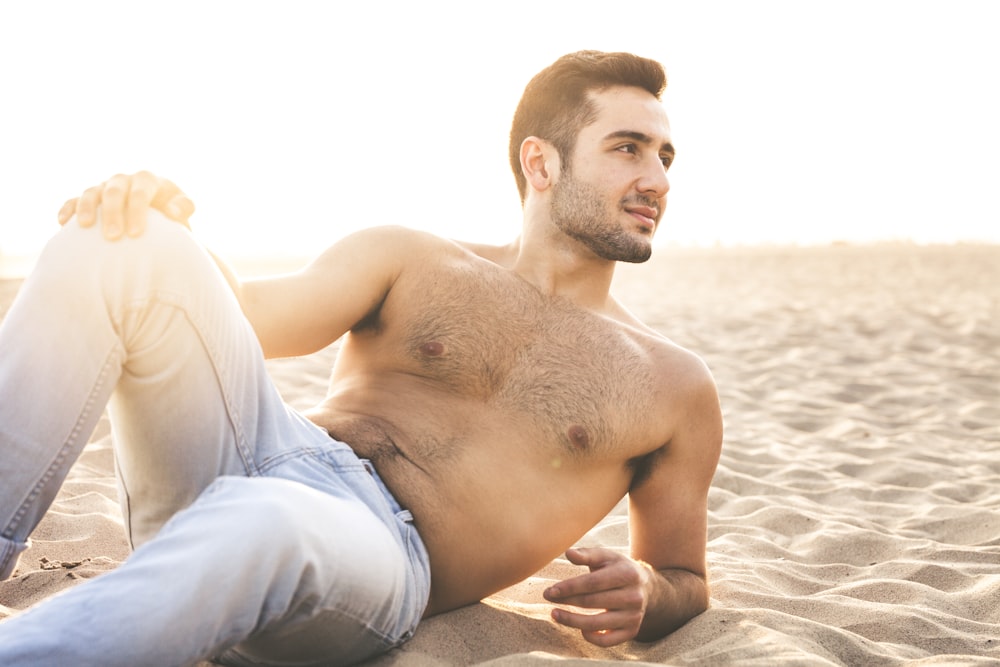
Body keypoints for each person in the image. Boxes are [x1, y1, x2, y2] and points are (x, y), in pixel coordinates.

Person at [0, 50, 722, 666]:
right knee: (122, 238)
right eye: (628, 147)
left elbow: (684, 575)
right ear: (541, 161)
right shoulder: (412, 256)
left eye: (665, 156)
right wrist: (167, 227)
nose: (657, 179)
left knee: (269, 517)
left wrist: (650, 590)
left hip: (381, 555)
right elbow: (245, 319)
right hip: (269, 449)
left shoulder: (673, 384)